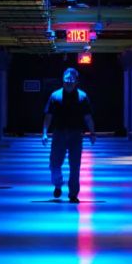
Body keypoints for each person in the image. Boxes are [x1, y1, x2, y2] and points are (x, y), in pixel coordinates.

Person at [42, 68, 96, 203]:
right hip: (59, 133)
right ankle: (58, 183)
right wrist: (44, 133)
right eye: (67, 80)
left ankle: (73, 193)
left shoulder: (82, 97)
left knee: (75, 165)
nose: (69, 83)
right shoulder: (55, 96)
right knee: (54, 163)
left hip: (76, 134)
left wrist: (92, 133)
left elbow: (88, 117)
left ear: (76, 81)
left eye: (71, 81)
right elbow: (48, 116)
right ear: (63, 80)